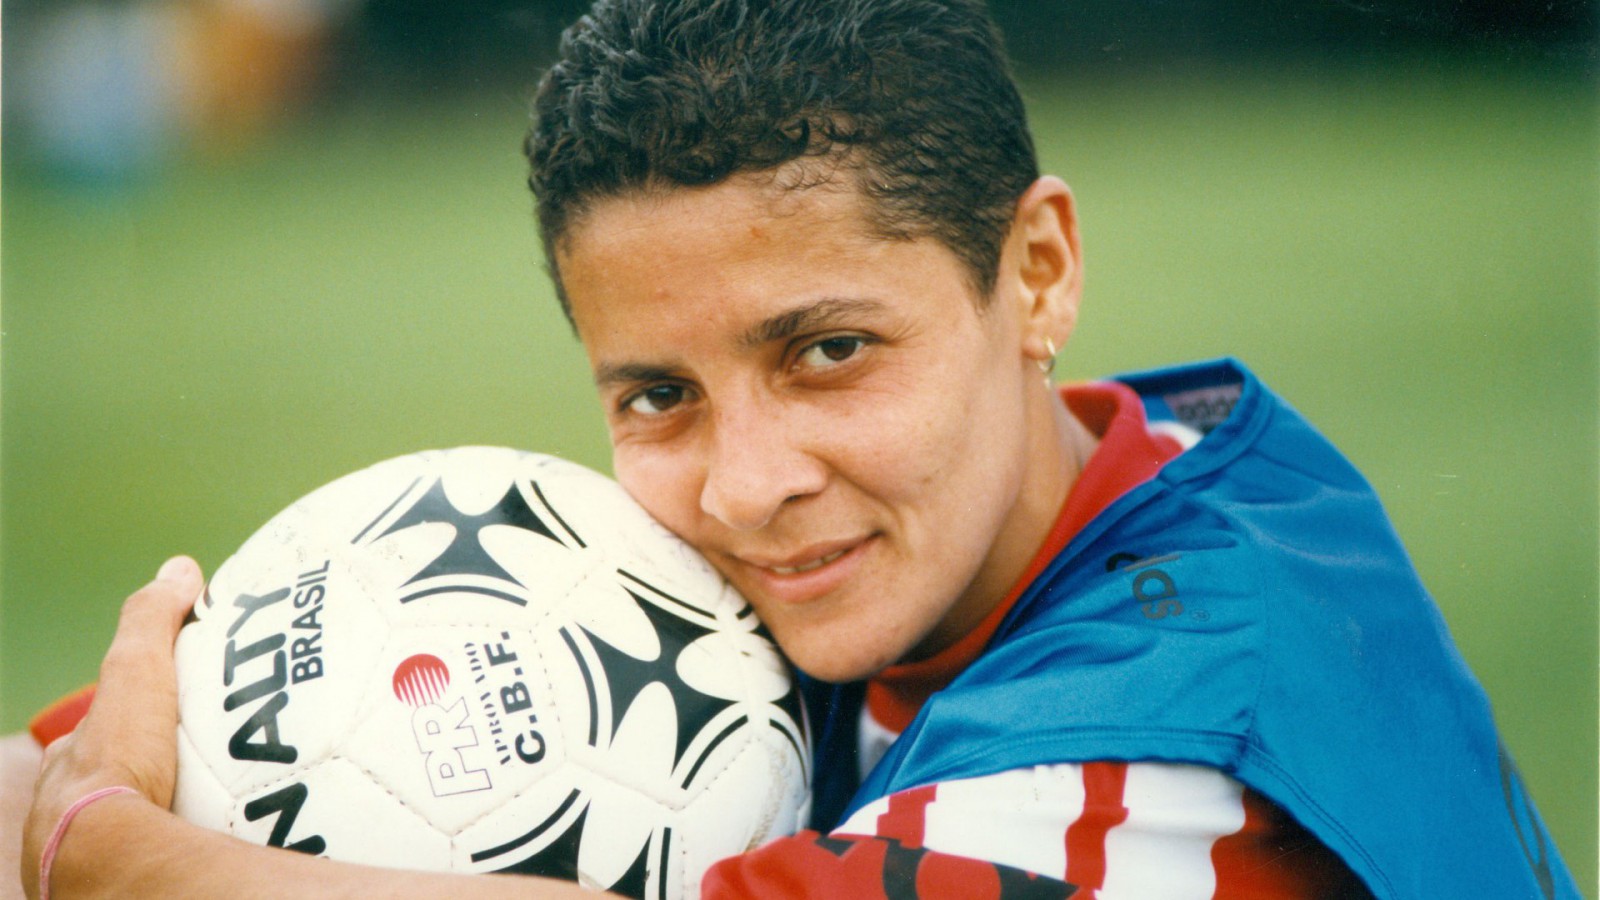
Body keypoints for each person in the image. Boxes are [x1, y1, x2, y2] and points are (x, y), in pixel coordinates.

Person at [15, 0, 1579, 897]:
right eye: (656, 398)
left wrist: (122, 861)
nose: (748, 486)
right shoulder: (1087, 469)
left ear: (1034, 275)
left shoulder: (1166, 776)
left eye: (829, 353)